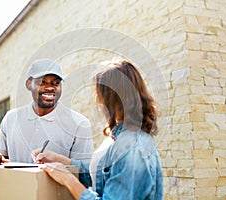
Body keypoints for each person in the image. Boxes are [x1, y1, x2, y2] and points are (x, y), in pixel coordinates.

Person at [32, 59, 163, 199]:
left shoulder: (131, 149)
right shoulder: (120, 136)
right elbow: (101, 175)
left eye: (99, 94)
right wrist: (63, 161)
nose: (98, 101)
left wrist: (68, 180)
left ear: (111, 99)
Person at [0, 58, 94, 179]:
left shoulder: (79, 123)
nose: (50, 87)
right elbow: (2, 159)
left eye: (56, 83)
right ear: (29, 84)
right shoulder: (11, 119)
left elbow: (87, 175)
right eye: (42, 82)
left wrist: (59, 163)